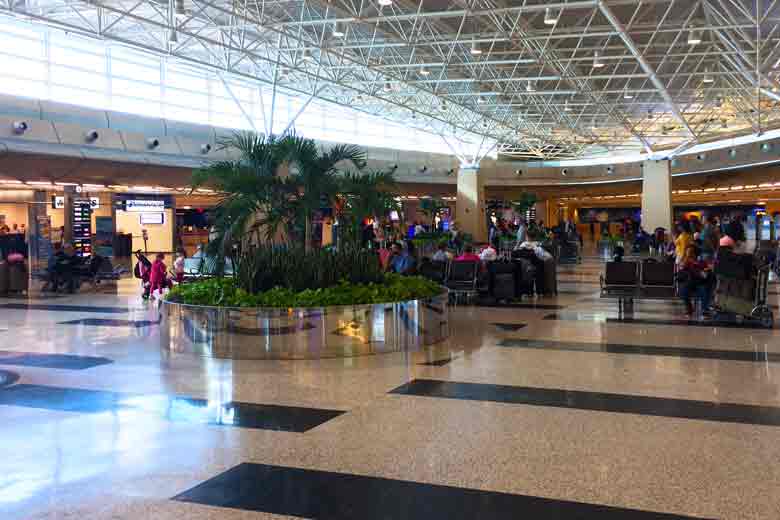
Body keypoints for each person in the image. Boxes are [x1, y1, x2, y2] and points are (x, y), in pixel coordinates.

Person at [678, 244, 714, 316]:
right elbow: (681, 272)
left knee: (704, 290)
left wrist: (703, 271)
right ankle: (689, 309)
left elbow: (705, 274)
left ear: (695, 253)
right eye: (687, 252)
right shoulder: (686, 262)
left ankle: (704, 309)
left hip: (700, 283)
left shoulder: (701, 262)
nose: (688, 254)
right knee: (683, 291)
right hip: (689, 283)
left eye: (690, 252)